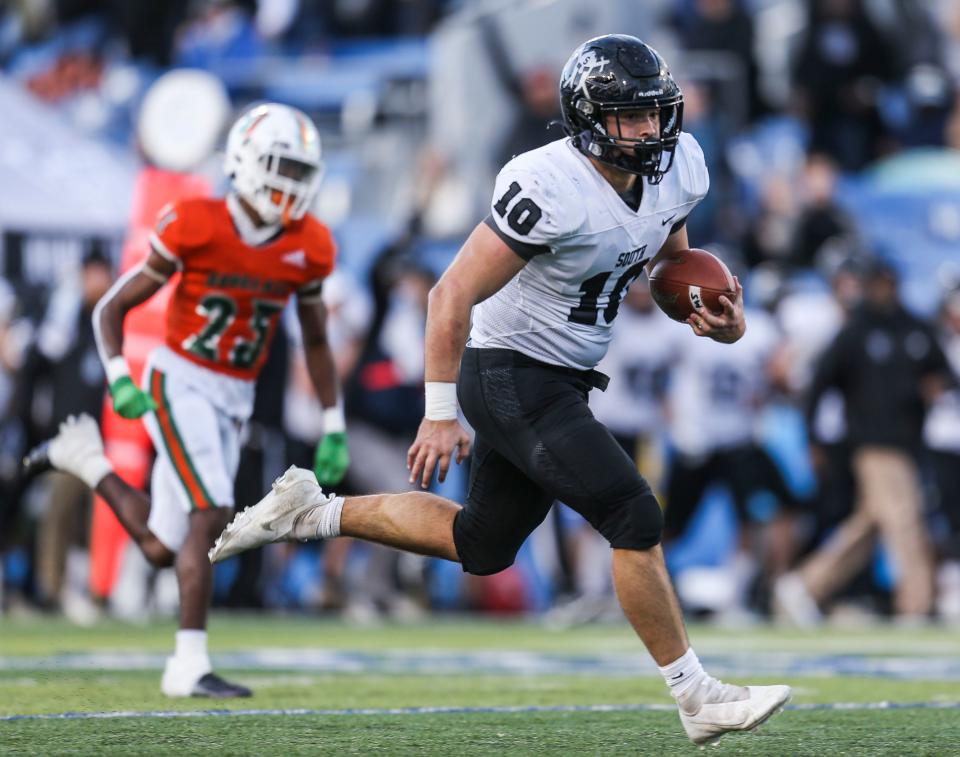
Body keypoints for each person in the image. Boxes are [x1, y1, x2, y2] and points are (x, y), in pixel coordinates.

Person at [207, 35, 790, 744]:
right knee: (632, 512)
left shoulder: (679, 170)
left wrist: (708, 315)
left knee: (481, 542)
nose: (650, 132)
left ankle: (310, 513)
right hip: (508, 369)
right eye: (630, 119)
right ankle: (696, 695)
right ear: (587, 119)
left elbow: (665, 264)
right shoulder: (547, 184)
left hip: (566, 375)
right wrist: (439, 410)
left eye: (655, 115)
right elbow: (449, 292)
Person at [35, 103, 349, 697]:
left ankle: (88, 463)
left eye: (301, 170)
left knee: (164, 548)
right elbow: (111, 309)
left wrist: (334, 423)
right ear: (245, 162)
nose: (291, 183)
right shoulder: (196, 221)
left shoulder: (309, 244)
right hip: (178, 380)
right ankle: (188, 665)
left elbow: (314, 338)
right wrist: (119, 374)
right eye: (280, 165)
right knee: (212, 506)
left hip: (235, 395)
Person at [775, 259, 952, 625]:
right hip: (872, 442)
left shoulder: (915, 328)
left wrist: (937, 387)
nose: (881, 290)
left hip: (908, 441)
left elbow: (943, 374)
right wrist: (813, 437)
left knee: (871, 522)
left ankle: (804, 586)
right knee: (904, 519)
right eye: (876, 283)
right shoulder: (856, 331)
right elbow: (820, 383)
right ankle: (915, 605)